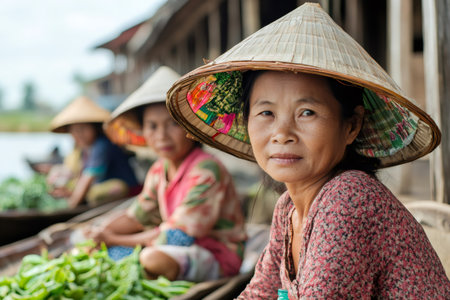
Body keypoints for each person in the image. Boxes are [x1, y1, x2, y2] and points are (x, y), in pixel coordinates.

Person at [166, 3, 449, 298]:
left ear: (351, 126)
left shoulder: (349, 198)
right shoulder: (287, 208)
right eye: (266, 113)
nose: (282, 134)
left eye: (307, 113)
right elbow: (259, 293)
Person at [86, 66, 247, 282]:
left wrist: (113, 239)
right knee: (96, 252)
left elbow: (177, 236)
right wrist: (100, 234)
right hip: (174, 247)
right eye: (152, 126)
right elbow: (136, 215)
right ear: (143, 130)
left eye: (172, 124)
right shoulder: (158, 170)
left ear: (190, 127)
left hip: (217, 256)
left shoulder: (207, 170)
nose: (161, 136)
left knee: (151, 258)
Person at [49, 96, 139, 208]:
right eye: (74, 130)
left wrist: (72, 204)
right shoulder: (84, 148)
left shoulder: (102, 145)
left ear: (95, 128)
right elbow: (80, 175)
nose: (79, 134)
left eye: (83, 129)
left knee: (93, 194)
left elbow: (88, 178)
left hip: (127, 192)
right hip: (103, 188)